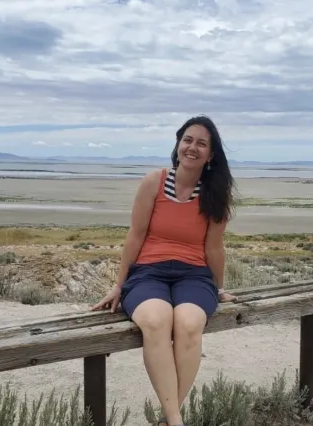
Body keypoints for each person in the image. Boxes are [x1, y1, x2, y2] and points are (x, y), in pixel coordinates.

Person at [90, 115, 238, 426]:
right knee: (156, 320)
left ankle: (169, 419)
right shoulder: (153, 182)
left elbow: (214, 248)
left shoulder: (215, 195)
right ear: (177, 144)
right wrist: (119, 284)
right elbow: (135, 235)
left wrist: (219, 288)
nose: (192, 147)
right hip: (148, 273)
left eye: (201, 143)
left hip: (194, 275)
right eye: (187, 140)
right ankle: (175, 421)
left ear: (211, 155)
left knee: (188, 324)